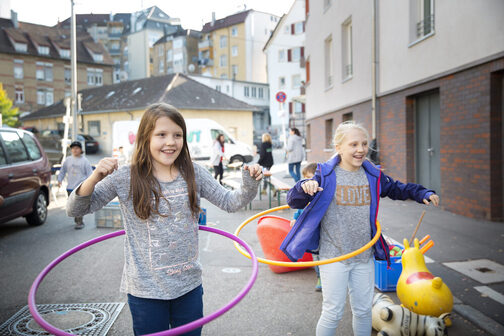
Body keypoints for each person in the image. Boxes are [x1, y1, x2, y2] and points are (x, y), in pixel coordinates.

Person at [66, 103, 263, 336]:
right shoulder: (126, 177)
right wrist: (95, 176)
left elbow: (231, 202)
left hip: (188, 287)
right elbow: (76, 208)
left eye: (177, 135)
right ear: (145, 138)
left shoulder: (194, 172)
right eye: (161, 135)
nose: (170, 142)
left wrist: (250, 183)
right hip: (145, 293)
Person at [280, 121, 440, 336]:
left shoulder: (372, 175)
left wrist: (422, 193)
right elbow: (294, 200)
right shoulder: (325, 175)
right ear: (339, 148)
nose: (361, 149)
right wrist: (302, 187)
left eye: (364, 144)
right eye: (353, 144)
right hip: (334, 255)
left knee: (363, 311)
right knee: (333, 312)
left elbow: (397, 189)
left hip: (363, 256)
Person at [289, 162, 321, 291]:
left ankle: (326, 279)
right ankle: (320, 277)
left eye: (310, 178)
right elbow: (299, 209)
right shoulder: (305, 196)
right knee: (316, 258)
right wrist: (295, 219)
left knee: (324, 258)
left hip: (322, 234)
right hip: (311, 236)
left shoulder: (320, 196)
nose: (308, 182)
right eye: (305, 178)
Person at [57, 141, 93, 229]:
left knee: (79, 205)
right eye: (73, 148)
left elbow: (90, 174)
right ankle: (77, 220)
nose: (74, 150)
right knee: (72, 206)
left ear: (81, 150)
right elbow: (62, 171)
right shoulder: (68, 160)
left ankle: (79, 222)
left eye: (77, 148)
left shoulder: (85, 161)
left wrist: (90, 186)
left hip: (81, 187)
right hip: (70, 187)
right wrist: (59, 180)